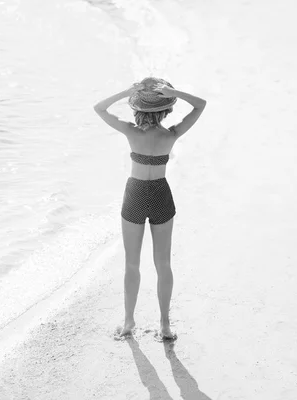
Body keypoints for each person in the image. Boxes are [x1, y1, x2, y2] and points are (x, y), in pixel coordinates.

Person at [93, 77, 207, 340]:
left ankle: (128, 322)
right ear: (166, 109)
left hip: (135, 193)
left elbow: (99, 108)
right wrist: (172, 91)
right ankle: (165, 325)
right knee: (163, 263)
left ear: (137, 108)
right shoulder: (172, 134)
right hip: (160, 193)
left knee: (131, 264)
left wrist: (126, 91)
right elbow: (200, 106)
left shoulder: (132, 132)